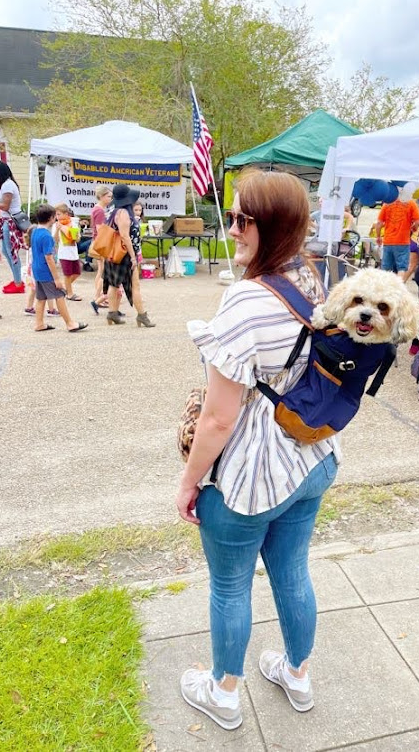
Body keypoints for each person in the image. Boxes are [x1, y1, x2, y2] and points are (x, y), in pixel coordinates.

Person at [176, 169, 338, 731]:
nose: (235, 228)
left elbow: (220, 418)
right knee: (293, 572)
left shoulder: (244, 302)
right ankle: (297, 674)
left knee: (229, 584)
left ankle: (223, 693)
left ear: (273, 227)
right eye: (235, 214)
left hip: (248, 475)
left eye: (245, 219)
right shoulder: (312, 278)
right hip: (310, 457)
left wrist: (189, 481)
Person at [30, 204, 87, 333]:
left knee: (41, 298)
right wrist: (56, 278)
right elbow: (49, 258)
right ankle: (70, 323)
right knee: (59, 296)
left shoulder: (35, 231)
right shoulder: (46, 236)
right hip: (46, 271)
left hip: (37, 269)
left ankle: (39, 323)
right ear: (51, 218)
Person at [103, 184, 155, 327]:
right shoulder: (124, 214)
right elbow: (125, 237)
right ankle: (142, 316)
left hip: (114, 253)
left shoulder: (114, 212)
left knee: (114, 285)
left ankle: (112, 313)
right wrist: (133, 257)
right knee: (135, 285)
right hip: (124, 254)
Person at [0, 160, 26, 293]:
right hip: (7, 220)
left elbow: (5, 206)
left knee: (11, 252)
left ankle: (18, 283)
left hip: (11, 222)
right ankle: (17, 279)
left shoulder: (7, 186)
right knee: (7, 252)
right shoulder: (7, 184)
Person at [375, 196, 419, 280]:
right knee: (402, 268)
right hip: (403, 242)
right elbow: (418, 221)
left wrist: (378, 236)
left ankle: (385, 290)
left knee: (386, 269)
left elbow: (379, 223)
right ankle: (398, 289)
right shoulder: (411, 203)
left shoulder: (387, 203)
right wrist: (414, 228)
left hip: (388, 241)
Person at [90, 185, 113, 314]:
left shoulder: (98, 209)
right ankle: (98, 297)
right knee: (102, 271)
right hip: (101, 243)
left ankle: (99, 296)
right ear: (102, 196)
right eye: (109, 196)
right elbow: (100, 229)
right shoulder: (99, 211)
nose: (110, 199)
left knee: (101, 270)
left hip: (98, 242)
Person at [53, 203, 82, 301]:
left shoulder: (73, 223)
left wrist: (76, 236)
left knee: (77, 272)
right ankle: (70, 293)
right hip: (64, 253)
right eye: (56, 214)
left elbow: (77, 239)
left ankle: (64, 288)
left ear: (66, 214)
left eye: (59, 214)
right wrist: (57, 230)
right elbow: (55, 240)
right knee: (67, 274)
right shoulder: (56, 225)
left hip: (73, 252)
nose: (57, 217)